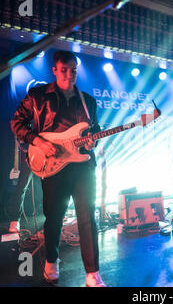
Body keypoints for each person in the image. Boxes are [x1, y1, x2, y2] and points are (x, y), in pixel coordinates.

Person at [11, 51, 104, 286]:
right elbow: (17, 123)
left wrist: (94, 140)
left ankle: (92, 273)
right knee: (54, 217)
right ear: (54, 70)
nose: (69, 74)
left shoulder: (88, 101)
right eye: (64, 69)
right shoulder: (38, 96)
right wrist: (39, 141)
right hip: (53, 166)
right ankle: (51, 260)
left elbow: (95, 130)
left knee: (87, 217)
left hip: (83, 166)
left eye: (73, 70)